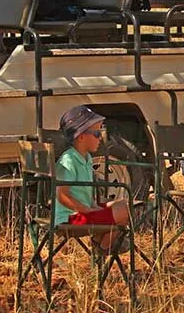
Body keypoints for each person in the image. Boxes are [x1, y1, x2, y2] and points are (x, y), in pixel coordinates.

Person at [54, 105, 130, 252]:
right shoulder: (68, 160)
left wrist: (93, 206)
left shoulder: (87, 158)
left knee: (123, 204)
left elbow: (82, 194)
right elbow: (62, 195)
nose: (100, 137)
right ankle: (103, 247)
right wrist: (86, 210)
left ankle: (101, 241)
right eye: (96, 133)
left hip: (82, 214)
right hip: (71, 219)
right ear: (81, 137)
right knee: (123, 211)